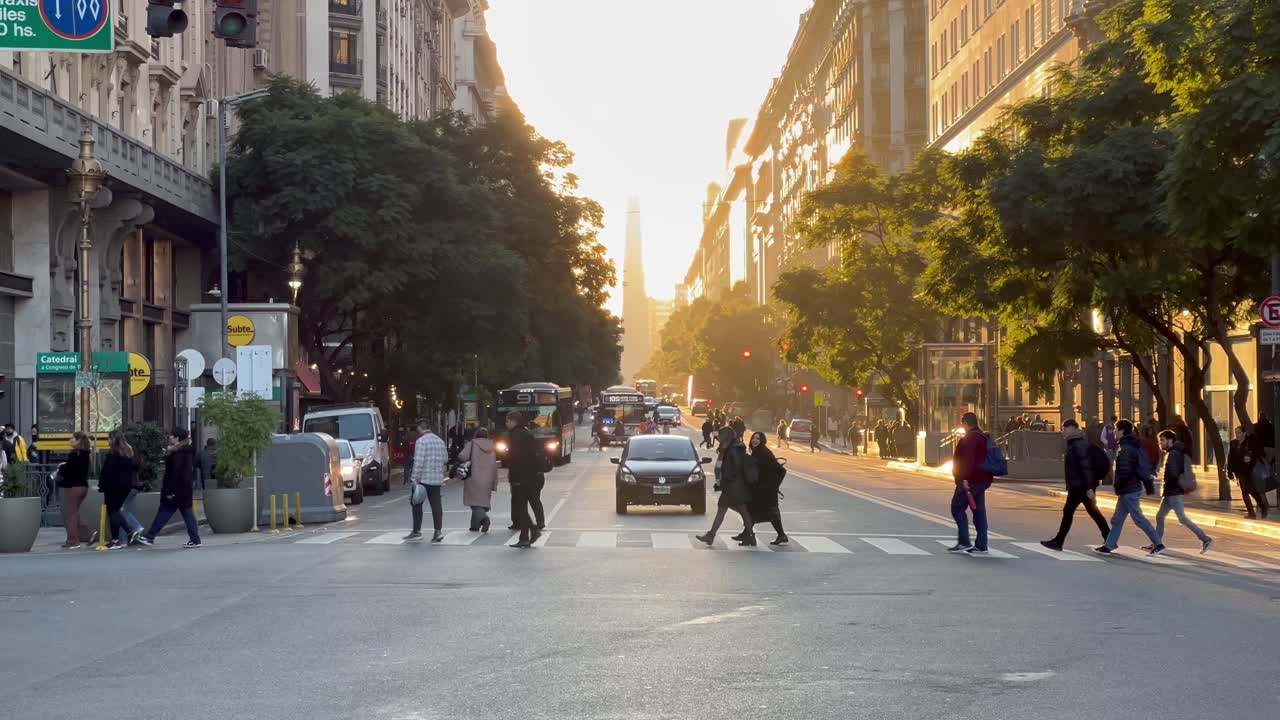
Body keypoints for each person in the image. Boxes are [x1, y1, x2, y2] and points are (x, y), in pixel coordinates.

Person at [1094, 420, 1161, 555]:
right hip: (1128, 488)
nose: (1114, 432)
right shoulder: (1129, 445)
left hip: (1129, 489)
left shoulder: (1126, 448)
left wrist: (1119, 485)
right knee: (1117, 519)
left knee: (1138, 519)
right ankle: (1109, 545)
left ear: (1122, 431)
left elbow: (1125, 470)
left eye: (1116, 429)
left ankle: (1158, 543)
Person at [1040, 420, 1110, 550]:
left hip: (1080, 486)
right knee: (1091, 511)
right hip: (1079, 485)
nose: (1062, 432)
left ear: (1072, 429)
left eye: (1064, 429)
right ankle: (1109, 538)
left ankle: (1058, 541)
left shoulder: (1078, 445)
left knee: (1071, 512)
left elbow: (1085, 467)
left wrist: (1089, 487)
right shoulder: (1076, 443)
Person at [1147, 430, 1213, 555]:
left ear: (1170, 440)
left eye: (1162, 440)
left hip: (1173, 492)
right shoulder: (1172, 453)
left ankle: (1205, 539)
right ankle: (1156, 543)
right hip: (1170, 492)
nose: (1160, 443)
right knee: (1160, 516)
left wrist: (1169, 486)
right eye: (1159, 441)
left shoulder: (1173, 454)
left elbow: (1173, 474)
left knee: (1182, 518)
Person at [139, 428, 201, 548]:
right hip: (185, 488)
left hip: (175, 488)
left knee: (165, 511)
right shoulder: (185, 451)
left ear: (177, 438)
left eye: (171, 435)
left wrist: (170, 490)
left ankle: (150, 536)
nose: (169, 437)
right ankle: (195, 539)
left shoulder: (178, 453)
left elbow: (174, 473)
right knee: (187, 513)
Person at [697, 427, 755, 546]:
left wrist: (724, 482)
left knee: (726, 510)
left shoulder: (732, 450)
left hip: (732, 487)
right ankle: (750, 536)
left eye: (720, 435)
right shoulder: (729, 448)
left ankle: (711, 536)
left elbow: (733, 469)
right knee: (741, 511)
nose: (718, 438)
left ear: (726, 436)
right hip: (734, 487)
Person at [948, 413, 992, 555]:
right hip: (983, 480)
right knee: (979, 511)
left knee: (957, 507)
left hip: (969, 481)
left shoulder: (969, 439)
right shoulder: (983, 436)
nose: (961, 424)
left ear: (966, 423)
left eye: (962, 422)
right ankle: (981, 545)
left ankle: (964, 542)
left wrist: (964, 479)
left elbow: (967, 461)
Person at [506, 412, 544, 548]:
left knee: (520, 507)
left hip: (521, 475)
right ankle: (525, 536)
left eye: (507, 421)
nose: (506, 424)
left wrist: (508, 462)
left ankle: (531, 532)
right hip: (531, 475)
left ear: (514, 421)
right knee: (522, 506)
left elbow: (515, 455)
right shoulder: (526, 432)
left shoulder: (516, 434)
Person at [405, 420, 448, 543]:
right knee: (436, 505)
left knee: (416, 503)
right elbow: (445, 459)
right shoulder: (440, 441)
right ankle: (438, 531)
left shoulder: (421, 441)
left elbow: (418, 461)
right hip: (437, 479)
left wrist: (414, 478)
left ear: (419, 428)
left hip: (423, 479)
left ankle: (416, 531)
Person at [743, 431, 788, 545]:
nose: (755, 440)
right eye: (753, 438)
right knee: (754, 511)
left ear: (762, 441)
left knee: (768, 513)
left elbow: (780, 470)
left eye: (758, 438)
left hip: (767, 490)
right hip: (761, 489)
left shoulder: (764, 453)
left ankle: (748, 535)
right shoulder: (757, 452)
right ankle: (747, 535)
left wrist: (773, 486)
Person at [99, 433, 140, 550]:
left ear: (113, 440)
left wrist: (101, 486)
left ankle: (127, 532)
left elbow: (106, 473)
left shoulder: (112, 455)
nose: (107, 441)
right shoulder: (128, 453)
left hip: (112, 487)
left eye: (109, 439)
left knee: (113, 512)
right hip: (125, 487)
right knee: (115, 511)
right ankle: (118, 538)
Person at [56, 432, 95, 549]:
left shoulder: (74, 454)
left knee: (70, 515)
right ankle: (89, 533)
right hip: (83, 486)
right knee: (75, 513)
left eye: (72, 438)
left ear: (78, 441)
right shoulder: (86, 454)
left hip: (73, 487)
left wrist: (62, 467)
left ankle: (73, 541)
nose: (70, 440)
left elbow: (70, 470)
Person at [461, 427, 498, 532]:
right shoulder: (492, 447)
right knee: (481, 502)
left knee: (475, 503)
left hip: (474, 476)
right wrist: (494, 481)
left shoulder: (472, 444)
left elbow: (462, 456)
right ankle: (475, 525)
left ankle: (485, 519)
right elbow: (494, 465)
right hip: (488, 477)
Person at [1228, 426, 1268, 519]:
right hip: (1240, 471)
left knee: (1252, 491)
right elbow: (1230, 458)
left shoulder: (1250, 442)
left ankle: (1262, 506)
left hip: (1250, 470)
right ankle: (1251, 513)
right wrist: (1230, 471)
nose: (1237, 435)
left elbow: (1260, 453)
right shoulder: (1233, 443)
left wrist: (1251, 458)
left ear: (1244, 433)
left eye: (1239, 433)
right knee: (1245, 492)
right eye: (1236, 433)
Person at [1101, 415, 1119, 485]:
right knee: (1110, 464)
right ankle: (1110, 480)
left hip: (1116, 448)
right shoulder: (1107, 427)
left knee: (1117, 464)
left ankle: (1116, 480)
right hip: (1109, 448)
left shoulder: (1117, 427)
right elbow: (1102, 437)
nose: (1114, 422)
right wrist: (1107, 443)